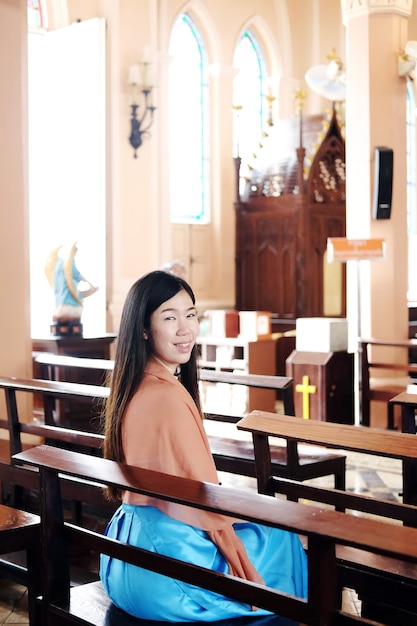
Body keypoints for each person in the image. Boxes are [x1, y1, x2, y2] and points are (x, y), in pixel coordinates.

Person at [100, 270, 307, 622]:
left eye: (191, 314)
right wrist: (241, 558)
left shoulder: (134, 384)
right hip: (165, 577)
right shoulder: (167, 397)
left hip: (123, 558)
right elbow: (208, 503)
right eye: (170, 317)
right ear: (144, 329)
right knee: (284, 539)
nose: (186, 329)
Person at [45, 242, 99, 322]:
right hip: (66, 294)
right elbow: (75, 273)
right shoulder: (69, 261)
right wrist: (88, 282)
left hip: (60, 292)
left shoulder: (59, 262)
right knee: (73, 293)